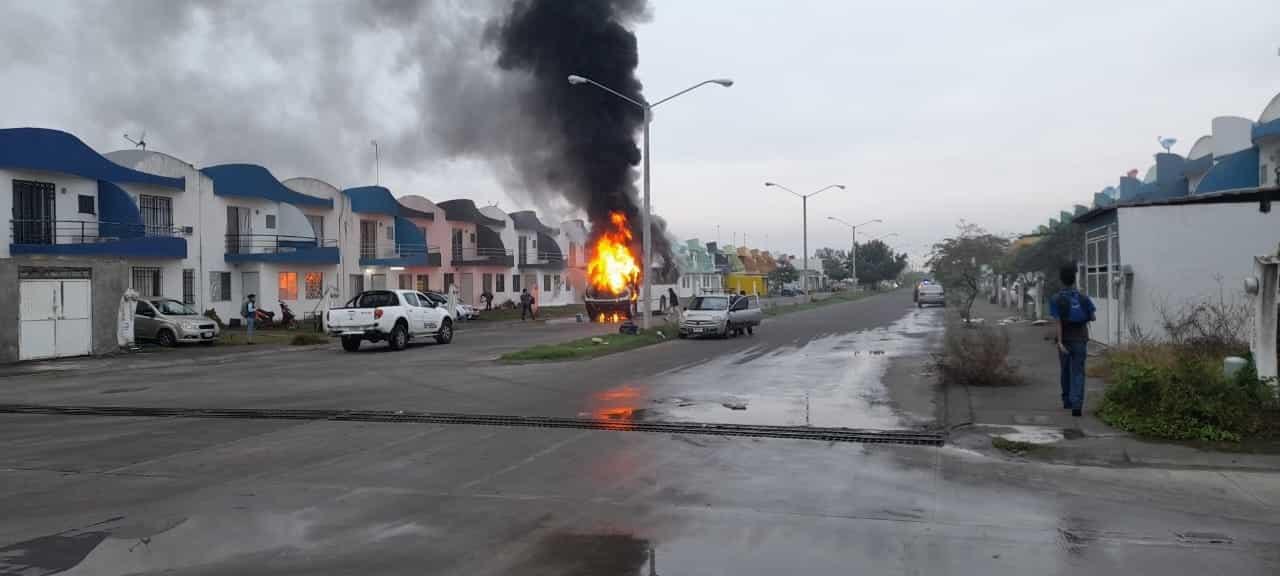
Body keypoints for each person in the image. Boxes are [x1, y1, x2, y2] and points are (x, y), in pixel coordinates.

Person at [1049, 265, 1096, 417]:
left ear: (1061, 280)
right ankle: (1077, 405)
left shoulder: (1056, 299)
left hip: (1065, 340)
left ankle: (1067, 401)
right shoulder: (1083, 298)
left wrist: (1060, 342)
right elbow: (1093, 317)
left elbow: (1058, 322)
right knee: (1078, 372)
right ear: (1074, 280)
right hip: (1080, 339)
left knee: (1065, 370)